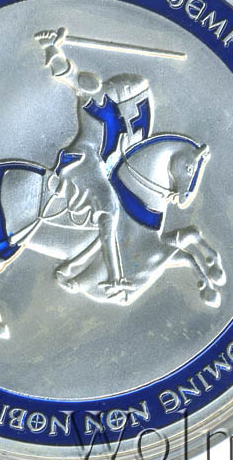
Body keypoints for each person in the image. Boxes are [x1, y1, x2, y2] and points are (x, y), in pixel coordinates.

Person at [34, 27, 154, 299]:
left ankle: (72, 268)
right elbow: (72, 77)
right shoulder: (99, 97)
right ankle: (115, 278)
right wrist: (53, 49)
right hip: (83, 162)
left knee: (114, 219)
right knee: (109, 210)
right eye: (131, 93)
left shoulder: (123, 118)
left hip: (99, 167)